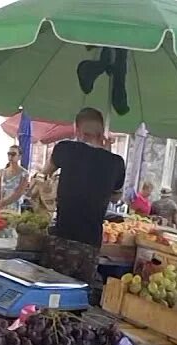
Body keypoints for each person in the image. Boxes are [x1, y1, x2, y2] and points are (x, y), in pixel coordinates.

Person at [42, 107, 125, 282]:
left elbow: (45, 173)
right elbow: (116, 197)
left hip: (62, 238)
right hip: (91, 244)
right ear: (102, 133)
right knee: (78, 298)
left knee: (51, 295)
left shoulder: (65, 148)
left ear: (77, 130)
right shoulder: (116, 162)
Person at [0, 146, 30, 212]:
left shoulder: (24, 174)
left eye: (13, 154)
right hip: (1, 209)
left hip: (15, 210)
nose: (10, 156)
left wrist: (1, 204)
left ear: (19, 157)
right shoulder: (1, 172)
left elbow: (19, 193)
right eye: (9, 154)